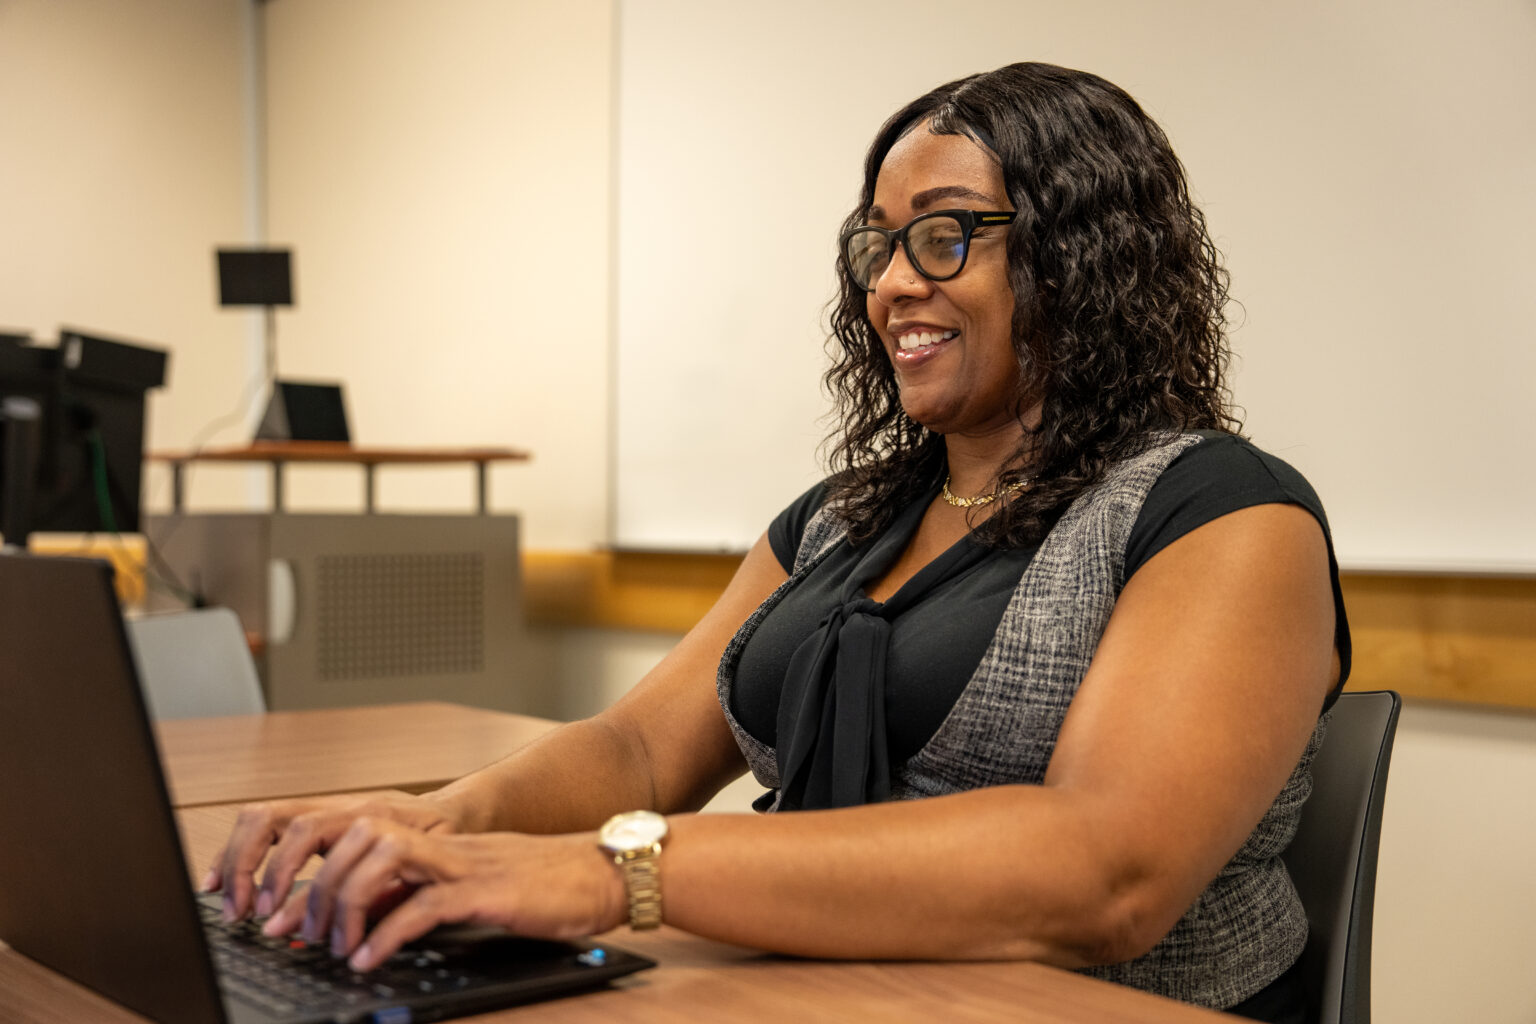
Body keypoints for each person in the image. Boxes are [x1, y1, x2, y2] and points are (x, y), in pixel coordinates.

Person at [204, 63, 1348, 1023]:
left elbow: (1105, 872)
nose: (895, 283)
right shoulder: (839, 518)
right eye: (880, 244)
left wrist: (617, 872)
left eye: (947, 237)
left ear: (1082, 258)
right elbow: (641, 754)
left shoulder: (1221, 511)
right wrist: (448, 819)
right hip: (821, 988)